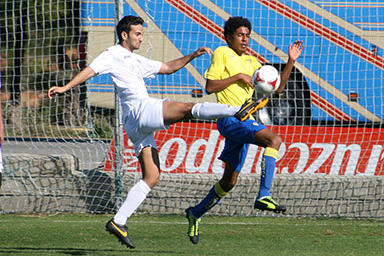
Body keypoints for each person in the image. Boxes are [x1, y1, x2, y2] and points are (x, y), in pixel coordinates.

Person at [47, 15, 267, 249]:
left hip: (134, 124)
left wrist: (191, 57)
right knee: (187, 109)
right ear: (125, 35)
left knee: (152, 176)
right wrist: (65, 87)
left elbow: (169, 67)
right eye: (138, 34)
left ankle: (119, 221)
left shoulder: (136, 60)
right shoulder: (112, 54)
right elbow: (90, 70)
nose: (141, 38)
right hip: (141, 110)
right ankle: (237, 110)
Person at [185, 16, 304, 244]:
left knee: (229, 182)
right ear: (228, 37)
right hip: (230, 118)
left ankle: (195, 213)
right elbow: (210, 86)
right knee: (274, 140)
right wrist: (238, 77)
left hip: (244, 119)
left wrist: (290, 61)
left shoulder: (252, 62)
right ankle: (264, 195)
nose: (245, 39)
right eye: (240, 35)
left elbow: (277, 89)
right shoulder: (222, 53)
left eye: (247, 35)